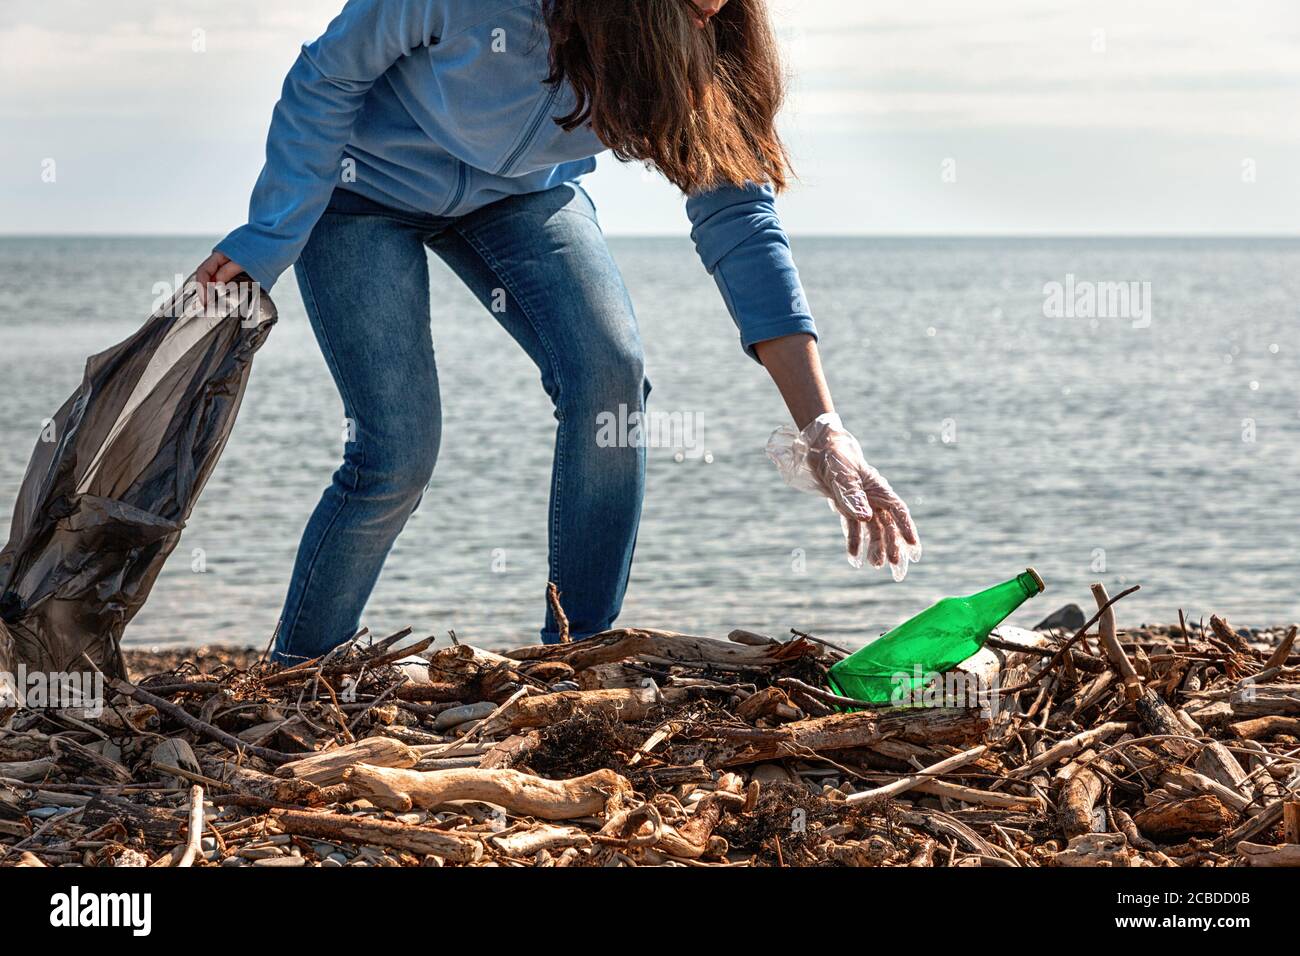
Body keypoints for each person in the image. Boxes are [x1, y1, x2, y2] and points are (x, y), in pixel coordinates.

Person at [195, 0, 920, 663]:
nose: (711, 15)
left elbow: (739, 217)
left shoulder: (706, 28)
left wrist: (822, 425)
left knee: (611, 375)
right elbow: (328, 73)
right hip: (361, 191)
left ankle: (576, 654)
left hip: (521, 198)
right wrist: (273, 231)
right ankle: (299, 668)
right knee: (397, 449)